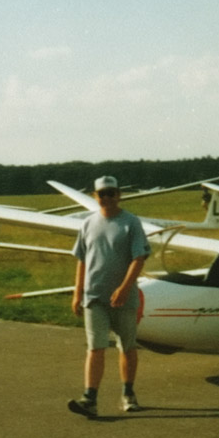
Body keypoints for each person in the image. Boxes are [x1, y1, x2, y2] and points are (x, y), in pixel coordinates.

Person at [68, 176, 151, 418]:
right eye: (102, 194)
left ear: (119, 195)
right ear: (95, 196)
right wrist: (77, 293)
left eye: (111, 193)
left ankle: (128, 394)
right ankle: (89, 398)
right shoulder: (88, 223)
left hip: (124, 298)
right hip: (94, 297)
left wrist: (125, 287)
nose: (106, 198)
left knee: (127, 346)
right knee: (95, 348)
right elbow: (82, 260)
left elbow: (139, 258)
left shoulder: (131, 222)